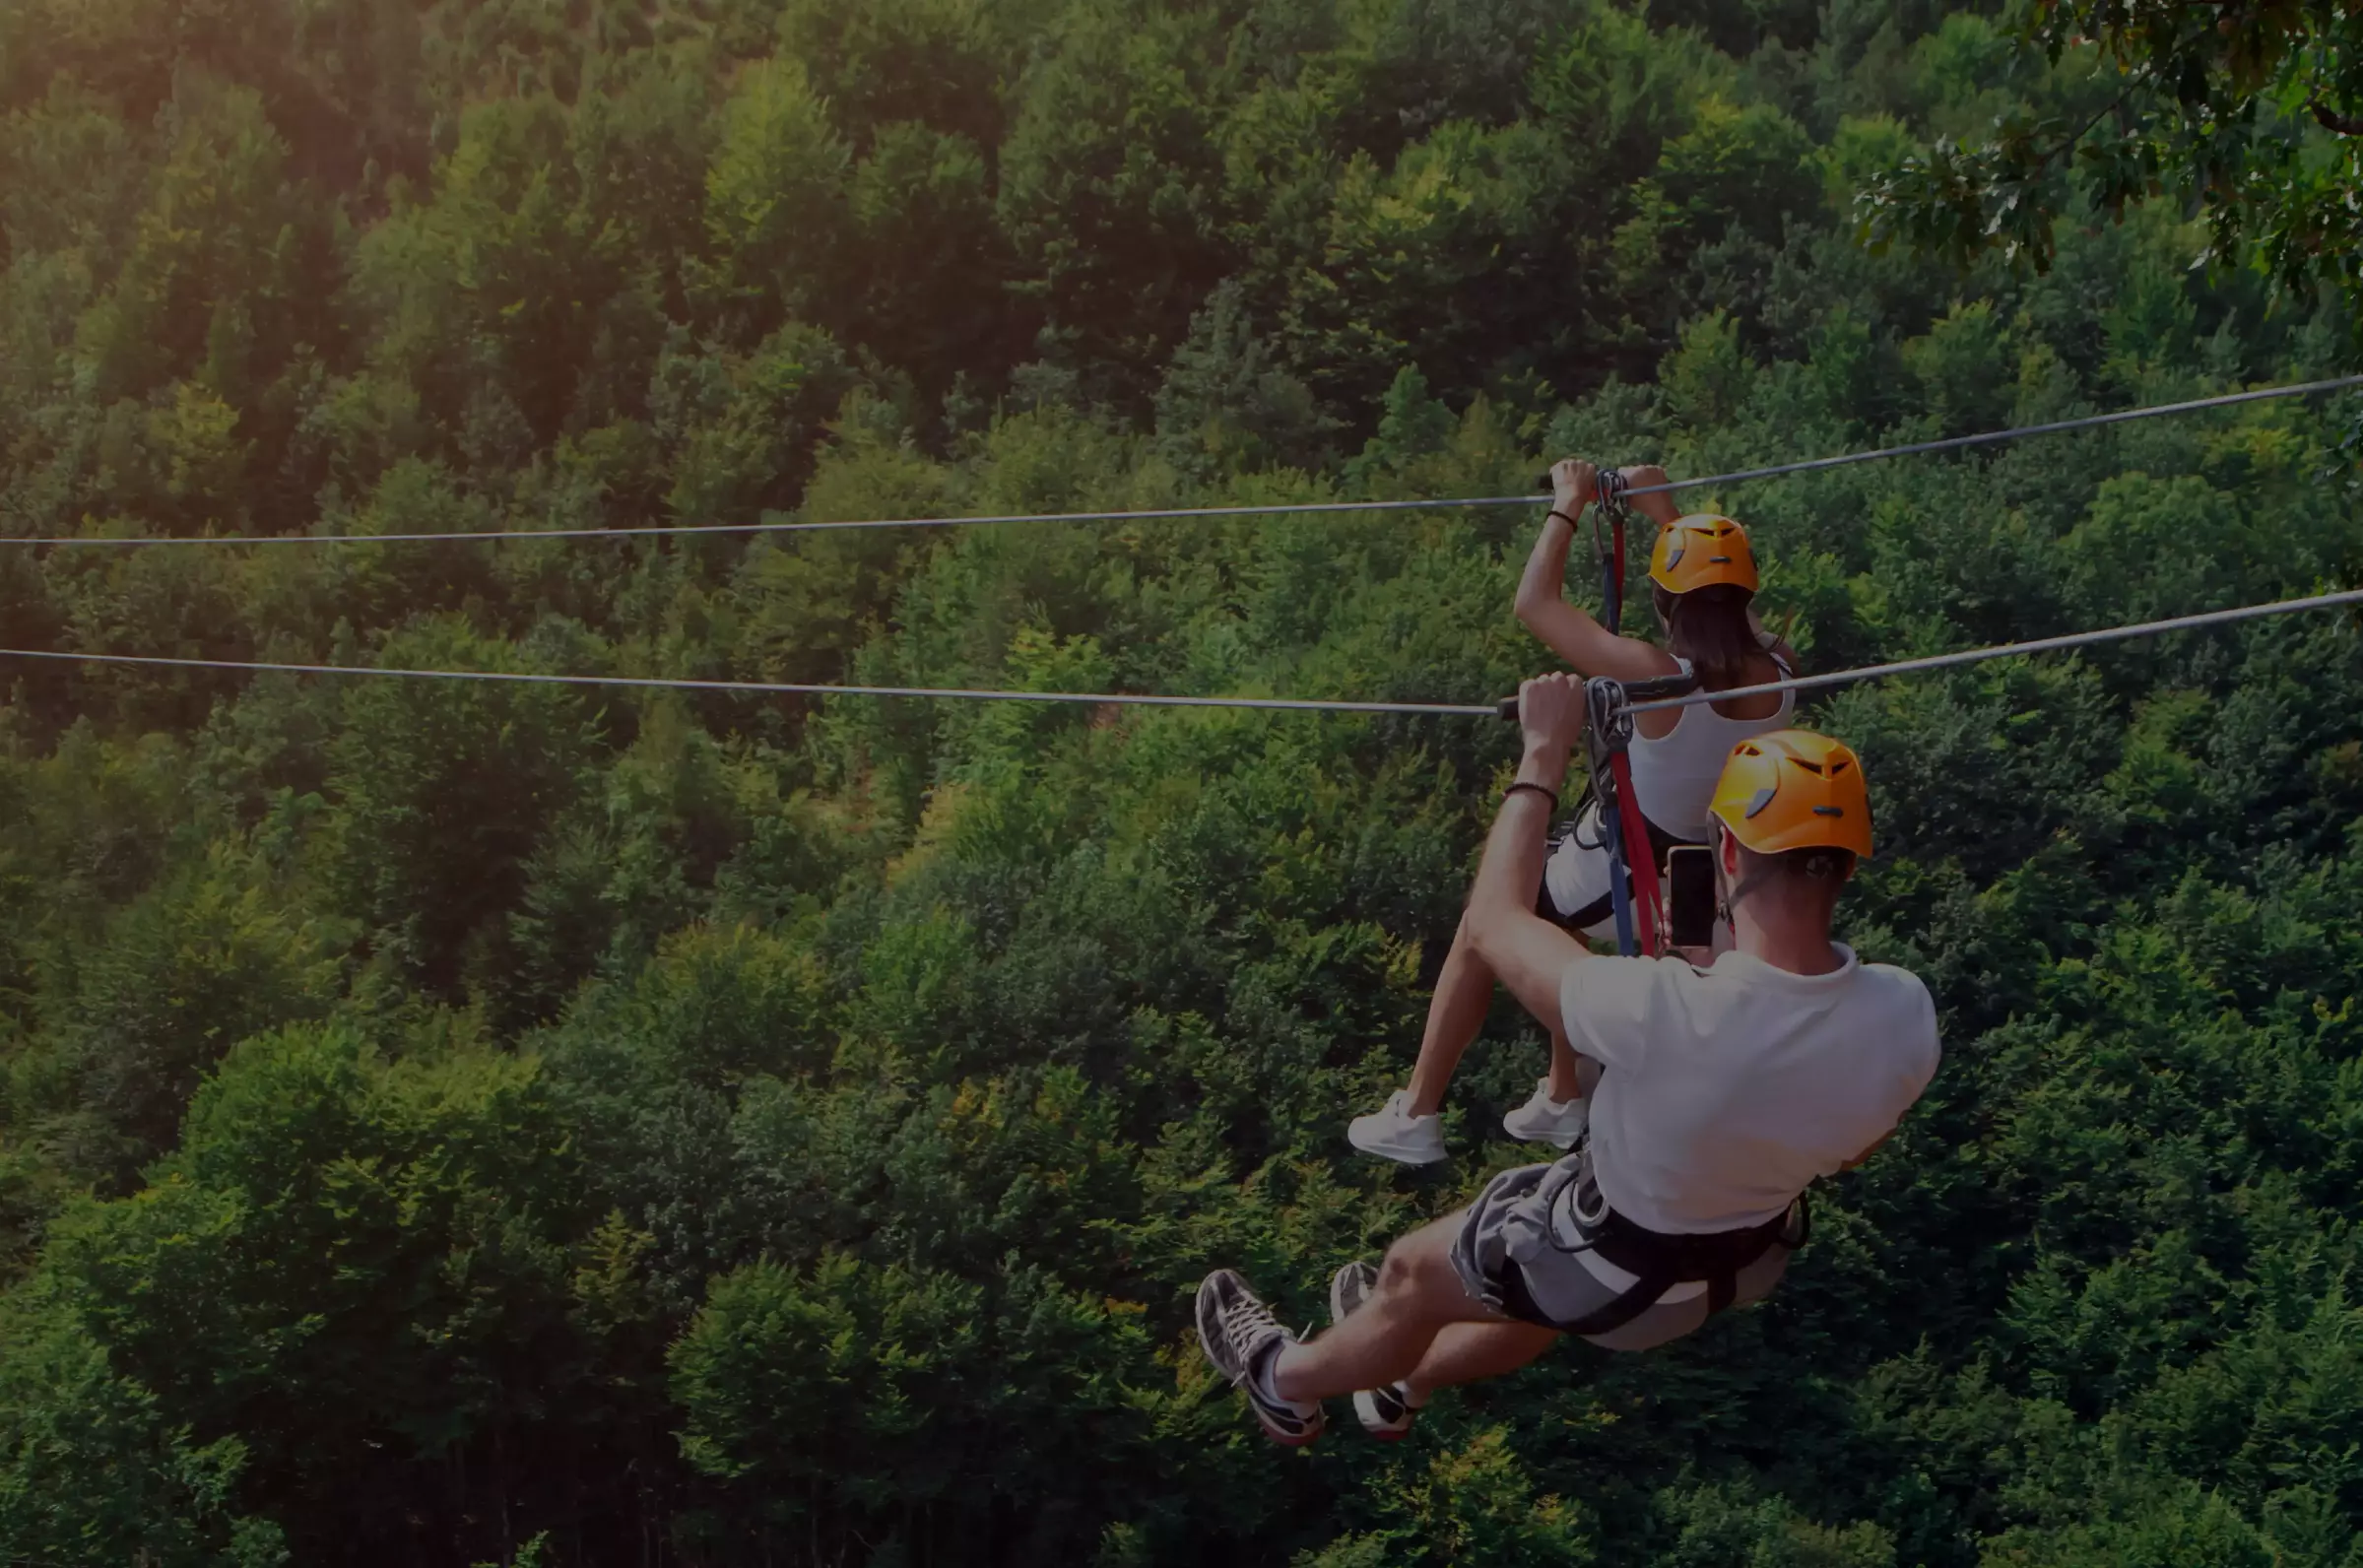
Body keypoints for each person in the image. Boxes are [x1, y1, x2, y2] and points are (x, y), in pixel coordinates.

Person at [1197, 679, 1938, 1446]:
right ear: (1849, 865)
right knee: (1531, 1295)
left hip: (1613, 1263)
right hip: (1734, 1266)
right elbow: (1852, 1149)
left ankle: (1281, 1383)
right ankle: (1402, 1382)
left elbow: (1493, 921)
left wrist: (1542, 753)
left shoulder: (1660, 1007)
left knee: (1410, 1276)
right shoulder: (1904, 1014)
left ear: (1725, 848)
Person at [1347, 459, 1801, 1165]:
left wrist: (1566, 503)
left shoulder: (1654, 675)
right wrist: (1664, 514)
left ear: (1662, 599)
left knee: (1485, 921)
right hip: (1701, 873)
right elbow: (1729, 609)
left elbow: (1534, 604)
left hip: (1631, 863)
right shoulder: (1782, 669)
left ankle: (1417, 1111)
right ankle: (1563, 1095)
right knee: (1561, 915)